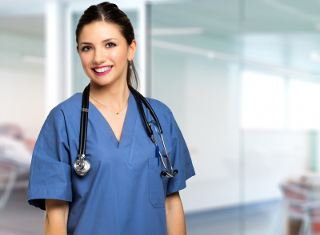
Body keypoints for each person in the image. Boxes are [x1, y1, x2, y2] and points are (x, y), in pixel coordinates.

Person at [26, 2, 195, 235]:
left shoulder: (160, 117)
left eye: (110, 45)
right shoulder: (63, 120)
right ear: (79, 53)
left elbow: (171, 205)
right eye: (87, 48)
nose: (98, 57)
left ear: (131, 49)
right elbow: (56, 216)